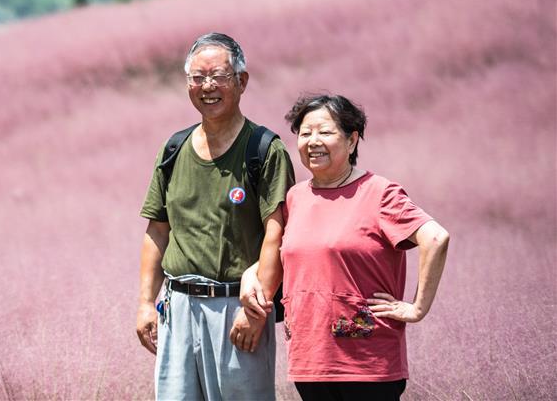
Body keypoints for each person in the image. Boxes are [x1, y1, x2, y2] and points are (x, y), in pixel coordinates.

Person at [240, 93, 450, 401]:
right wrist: (250, 274)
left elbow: (435, 238)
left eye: (325, 132)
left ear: (352, 141)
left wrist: (417, 308)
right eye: (305, 133)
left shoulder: (378, 192)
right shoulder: (296, 197)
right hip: (310, 360)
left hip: (367, 364)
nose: (313, 141)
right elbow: (292, 254)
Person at [136, 33, 294, 400]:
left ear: (241, 81)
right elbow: (157, 231)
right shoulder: (174, 149)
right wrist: (146, 302)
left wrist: (256, 312)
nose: (207, 86)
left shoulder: (264, 150)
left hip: (238, 309)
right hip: (176, 307)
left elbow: (278, 234)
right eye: (197, 77)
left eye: (219, 76)